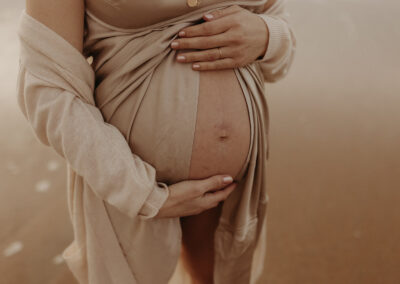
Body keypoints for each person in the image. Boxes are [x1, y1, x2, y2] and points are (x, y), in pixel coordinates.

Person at [18, 0, 295, 283]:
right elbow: (47, 88)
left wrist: (268, 36)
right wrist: (138, 192)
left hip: (226, 187)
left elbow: (279, 35)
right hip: (124, 176)